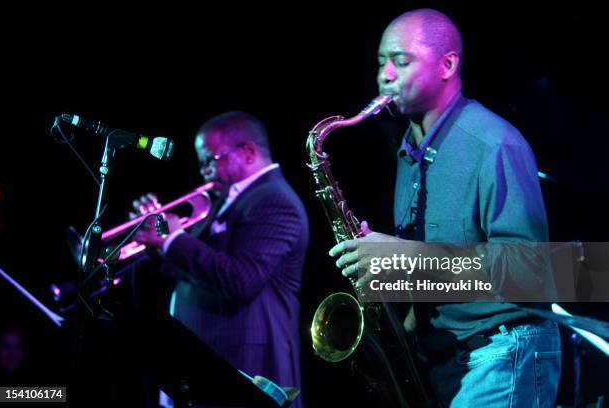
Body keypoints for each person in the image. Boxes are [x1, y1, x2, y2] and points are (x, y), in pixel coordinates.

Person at [328, 8, 561, 407]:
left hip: (503, 350)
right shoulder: (409, 151)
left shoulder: (494, 143)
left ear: (447, 65)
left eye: (401, 61)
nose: (385, 74)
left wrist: (406, 259)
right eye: (381, 62)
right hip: (449, 358)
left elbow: (532, 271)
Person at [133, 111, 309, 407]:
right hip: (207, 360)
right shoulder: (227, 200)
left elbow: (241, 280)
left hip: (244, 363)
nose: (203, 170)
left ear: (248, 152)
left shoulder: (274, 200)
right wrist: (159, 233)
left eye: (210, 159)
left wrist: (174, 239)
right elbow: (195, 265)